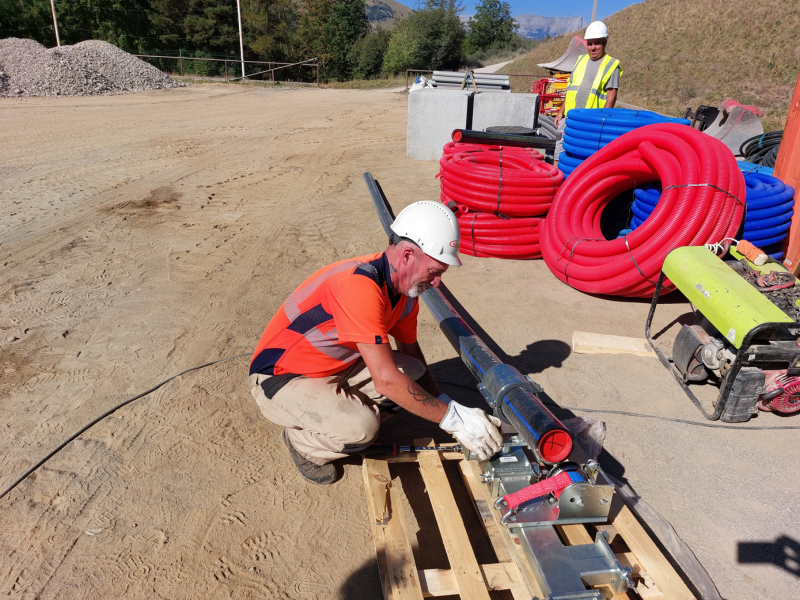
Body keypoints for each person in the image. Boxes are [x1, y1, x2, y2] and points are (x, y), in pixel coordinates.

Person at [248, 201, 503, 484]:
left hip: (335, 366)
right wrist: (453, 419)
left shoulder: (404, 294)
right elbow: (386, 381)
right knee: (362, 429)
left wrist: (444, 403)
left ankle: (335, 413)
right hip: (281, 379)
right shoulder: (358, 286)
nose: (438, 282)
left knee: (413, 372)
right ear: (407, 256)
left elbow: (411, 354)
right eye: (434, 271)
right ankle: (304, 444)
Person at [553, 21, 622, 162]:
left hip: (590, 122)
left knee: (580, 157)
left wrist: (603, 122)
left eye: (597, 43)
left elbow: (611, 98)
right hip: (570, 118)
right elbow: (571, 89)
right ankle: (556, 182)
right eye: (590, 44)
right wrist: (561, 112)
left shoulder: (610, 65)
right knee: (559, 152)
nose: (593, 47)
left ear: (605, 43)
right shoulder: (581, 61)